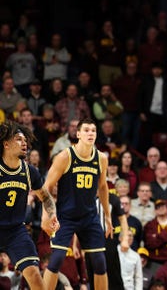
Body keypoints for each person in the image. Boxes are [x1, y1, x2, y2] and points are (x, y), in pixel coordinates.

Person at [42, 117, 113, 290]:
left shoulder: (101, 158)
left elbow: (103, 187)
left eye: (93, 130)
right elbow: (47, 187)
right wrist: (47, 214)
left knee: (100, 262)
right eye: (87, 130)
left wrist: (108, 216)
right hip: (66, 217)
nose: (90, 133)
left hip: (89, 217)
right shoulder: (65, 156)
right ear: (78, 134)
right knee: (57, 259)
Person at [0, 120, 59, 290]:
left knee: (34, 274)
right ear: (6, 144)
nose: (24, 142)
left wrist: (50, 214)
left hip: (15, 231)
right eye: (19, 139)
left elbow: (46, 198)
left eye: (25, 139)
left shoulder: (29, 171)